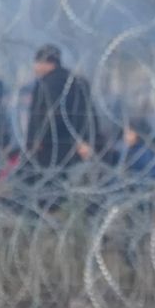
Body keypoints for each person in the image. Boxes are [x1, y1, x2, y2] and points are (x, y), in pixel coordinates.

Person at [24, 44, 95, 203]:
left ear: (47, 63)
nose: (35, 67)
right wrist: (85, 140)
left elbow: (48, 114)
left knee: (45, 189)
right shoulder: (76, 81)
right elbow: (88, 112)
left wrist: (37, 139)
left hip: (48, 147)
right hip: (72, 144)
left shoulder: (46, 84)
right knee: (64, 186)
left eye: (37, 62)